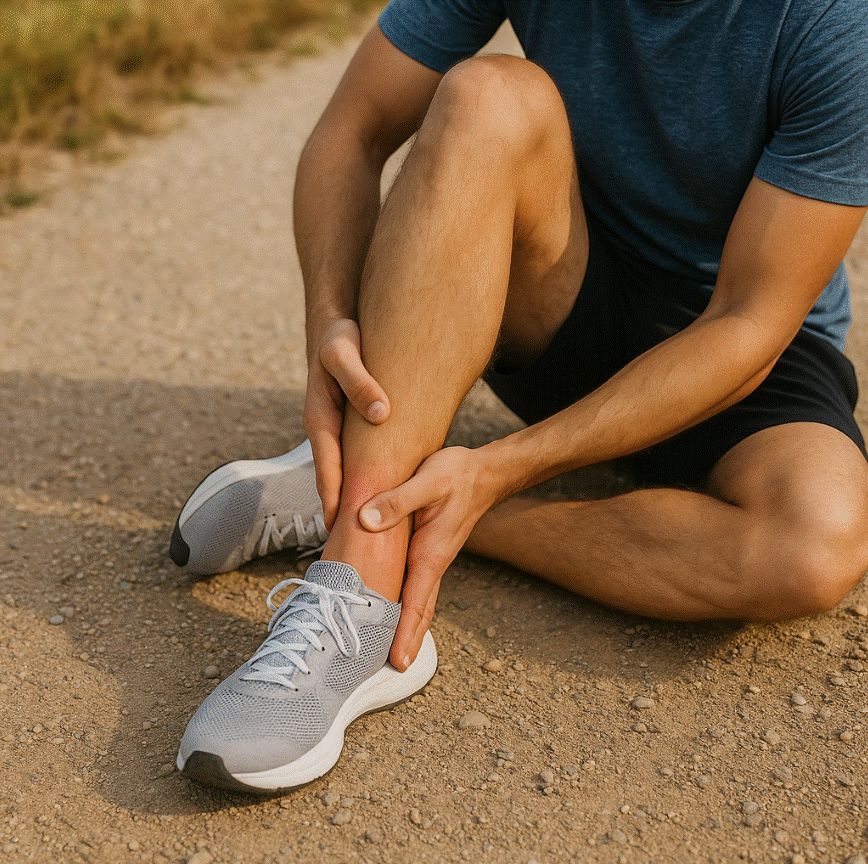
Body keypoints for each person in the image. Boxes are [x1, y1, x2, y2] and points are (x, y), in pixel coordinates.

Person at [172, 0, 868, 794]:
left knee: (815, 547)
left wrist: (500, 470)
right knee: (488, 96)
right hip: (561, 292)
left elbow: (749, 324)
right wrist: (330, 317)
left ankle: (395, 503)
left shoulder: (836, 27)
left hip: (737, 345)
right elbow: (351, 131)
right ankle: (361, 579)